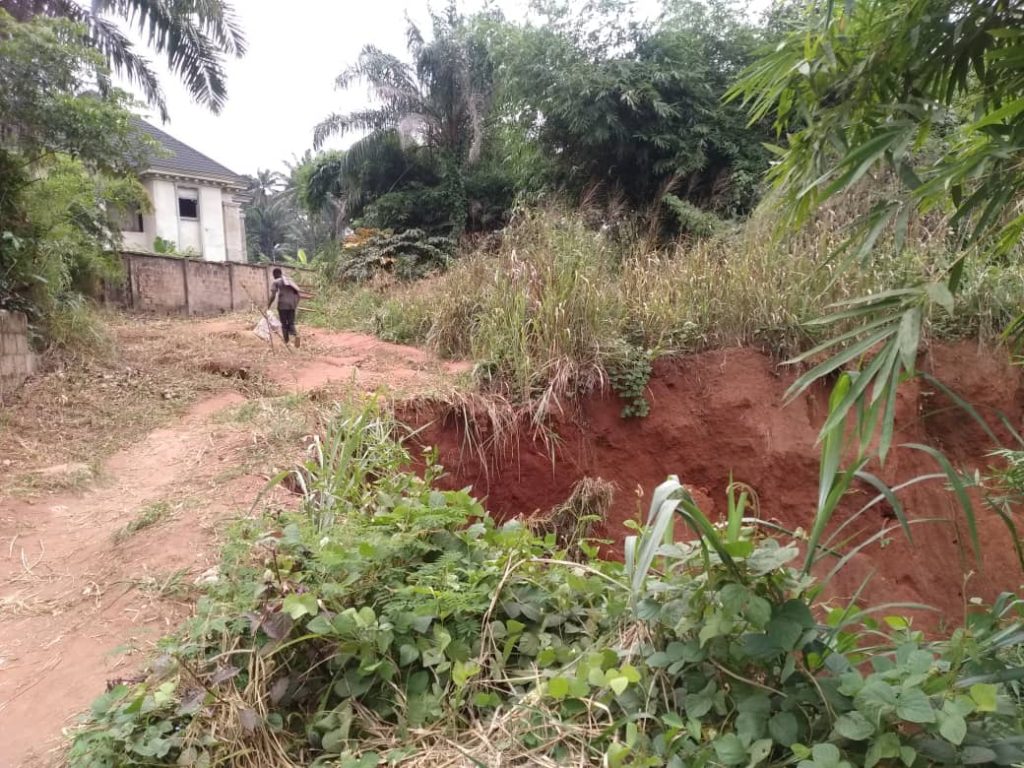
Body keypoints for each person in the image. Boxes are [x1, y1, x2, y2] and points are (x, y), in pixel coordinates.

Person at [268, 267, 302, 347]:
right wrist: (295, 304)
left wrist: (268, 305)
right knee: (291, 323)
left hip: (283, 305)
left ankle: (286, 342)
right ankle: (296, 336)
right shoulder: (290, 281)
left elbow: (273, 295)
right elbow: (298, 294)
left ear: (275, 274)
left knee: (284, 324)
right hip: (292, 305)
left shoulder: (276, 282)